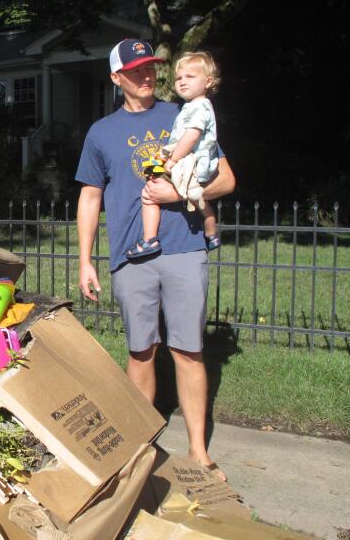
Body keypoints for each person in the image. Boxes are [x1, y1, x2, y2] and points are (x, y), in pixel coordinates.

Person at [75, 38, 236, 481]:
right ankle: (138, 450)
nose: (146, 75)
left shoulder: (184, 113)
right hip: (131, 256)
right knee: (141, 352)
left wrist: (179, 190)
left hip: (184, 249)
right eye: (135, 69)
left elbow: (226, 179)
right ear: (116, 78)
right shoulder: (100, 133)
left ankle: (199, 453)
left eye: (150, 67)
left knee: (189, 351)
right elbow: (90, 197)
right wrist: (85, 261)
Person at [127, 51, 222, 259]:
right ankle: (212, 232)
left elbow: (190, 137)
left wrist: (173, 160)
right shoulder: (193, 106)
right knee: (195, 196)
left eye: (190, 77)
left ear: (208, 81)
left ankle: (149, 239)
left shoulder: (199, 107)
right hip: (184, 154)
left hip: (189, 159)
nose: (182, 82)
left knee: (149, 195)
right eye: (179, 78)